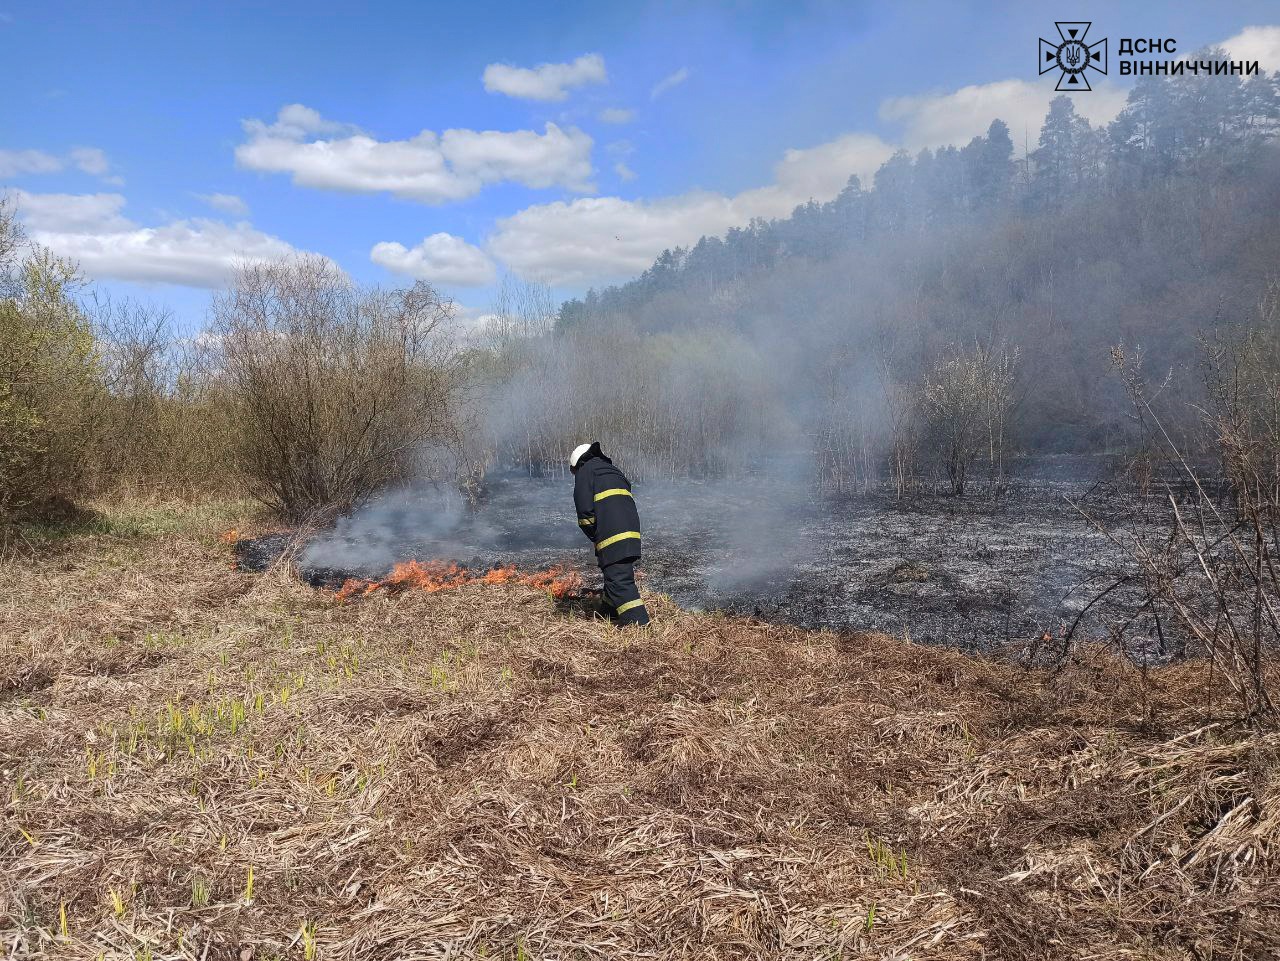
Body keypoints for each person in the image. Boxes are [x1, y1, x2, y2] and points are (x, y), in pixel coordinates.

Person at [569, 441, 650, 626]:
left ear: (577, 464)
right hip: (631, 534)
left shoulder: (585, 472)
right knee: (614, 576)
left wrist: (594, 536)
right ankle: (608, 612)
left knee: (619, 582)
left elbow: (585, 514)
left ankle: (640, 625)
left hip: (611, 537)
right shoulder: (613, 471)